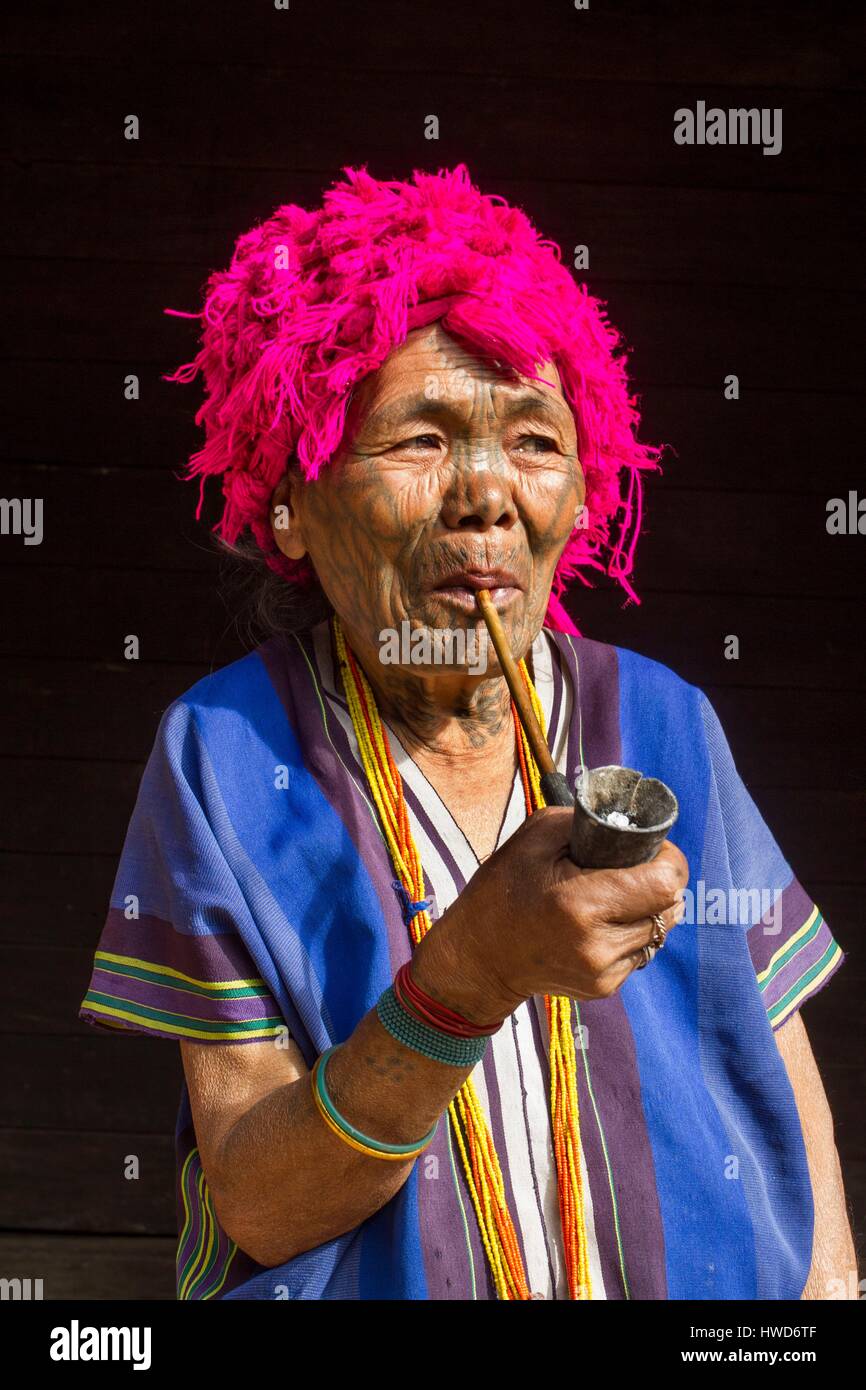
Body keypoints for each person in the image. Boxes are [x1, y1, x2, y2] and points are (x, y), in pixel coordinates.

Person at [79, 164, 854, 1301]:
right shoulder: (224, 754)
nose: (486, 493)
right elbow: (256, 1198)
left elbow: (773, 1069)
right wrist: (466, 978)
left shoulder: (663, 720)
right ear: (289, 501)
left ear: (580, 497)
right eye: (420, 440)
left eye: (535, 443)